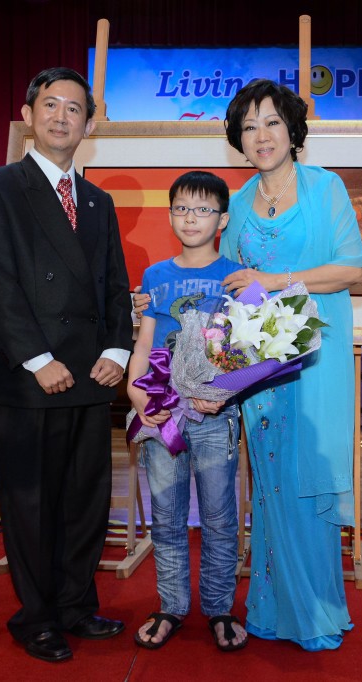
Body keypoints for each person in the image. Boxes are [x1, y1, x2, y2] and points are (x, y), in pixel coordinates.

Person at [0, 66, 133, 663]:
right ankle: (35, 617)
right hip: (29, 376)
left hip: (91, 375)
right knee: (31, 502)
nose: (62, 116)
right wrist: (38, 359)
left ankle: (74, 606)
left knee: (86, 499)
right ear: (29, 113)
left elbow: (116, 285)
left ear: (88, 124)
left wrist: (117, 350)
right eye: (51, 105)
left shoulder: (97, 201)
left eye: (74, 109)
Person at [220, 79, 362, 651]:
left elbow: (352, 268)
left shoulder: (325, 188)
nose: (261, 135)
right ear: (239, 137)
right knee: (273, 481)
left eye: (272, 122)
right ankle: (274, 609)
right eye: (250, 125)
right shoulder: (234, 205)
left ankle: (316, 611)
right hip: (262, 366)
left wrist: (275, 281)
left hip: (319, 359)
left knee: (310, 478)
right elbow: (225, 286)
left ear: (292, 130)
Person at [128, 171, 248, 652]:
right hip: (163, 418)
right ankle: (171, 606)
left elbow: (245, 350)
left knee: (220, 518)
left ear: (221, 218)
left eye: (202, 209)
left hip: (215, 417)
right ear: (170, 214)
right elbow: (143, 344)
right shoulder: (155, 277)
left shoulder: (236, 275)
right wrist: (137, 392)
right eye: (182, 208)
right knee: (167, 517)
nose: (191, 217)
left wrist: (224, 390)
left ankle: (220, 608)